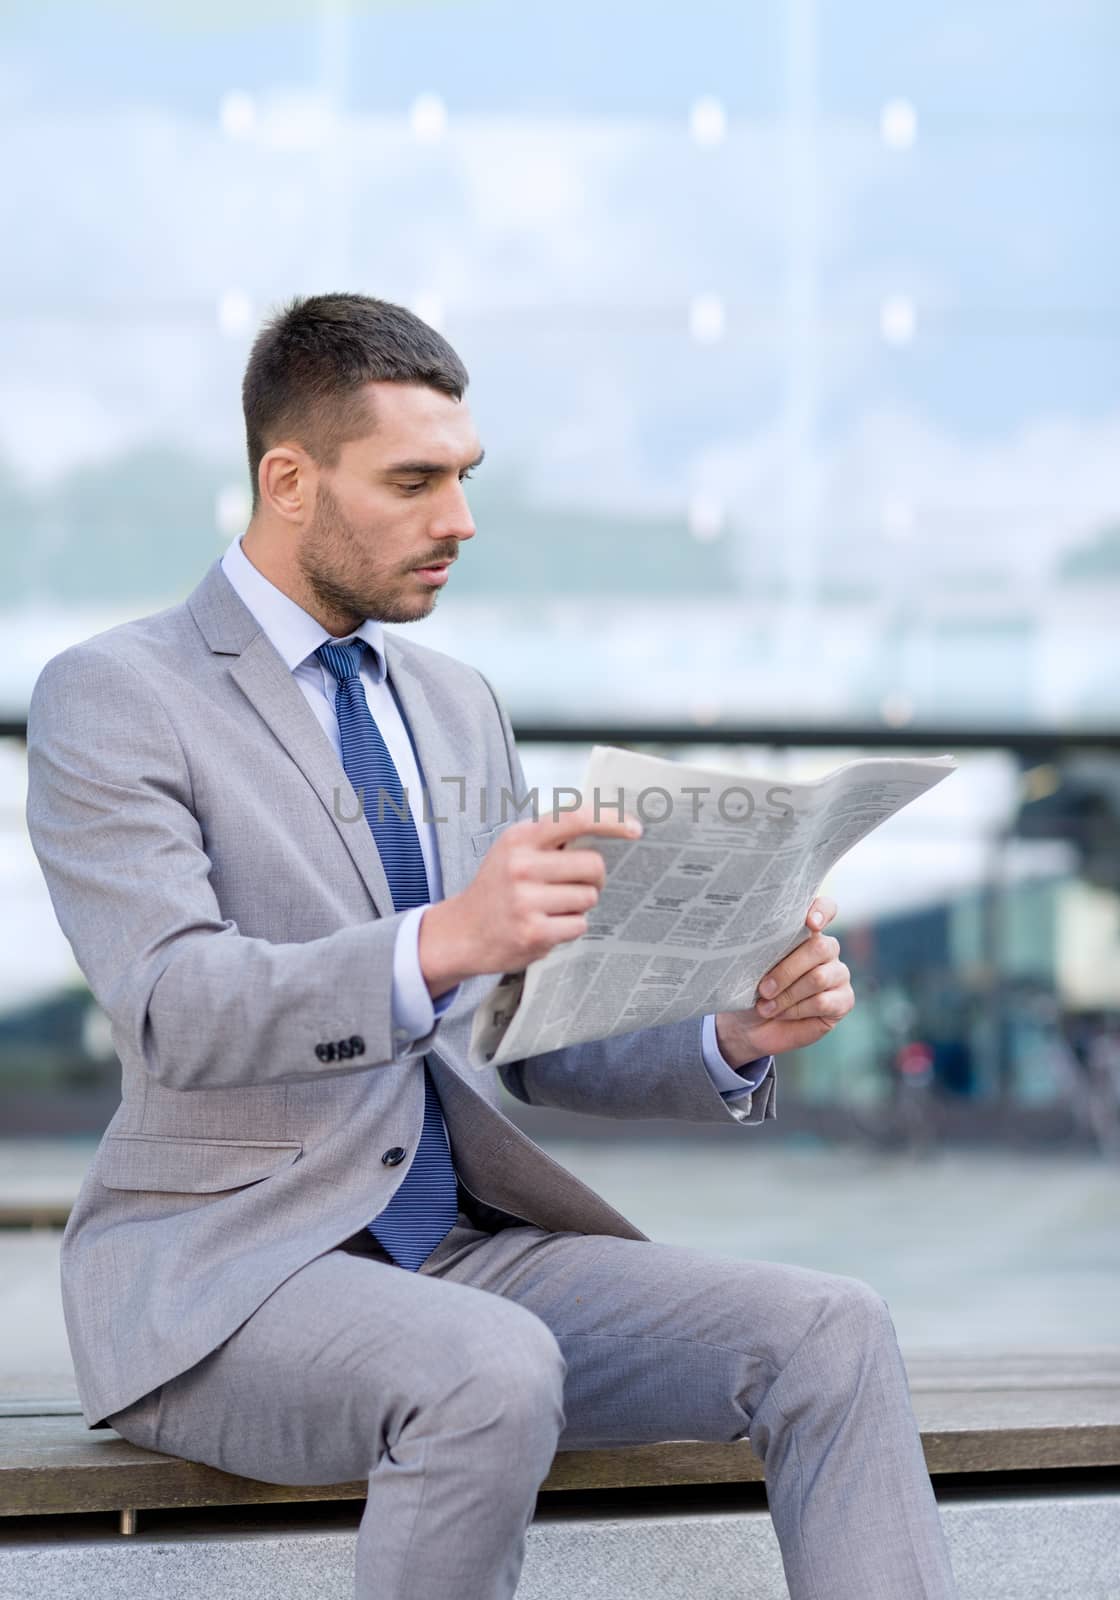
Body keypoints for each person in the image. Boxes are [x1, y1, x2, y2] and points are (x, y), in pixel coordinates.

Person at [25, 292, 958, 1600]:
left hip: (463, 1252)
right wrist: (444, 939)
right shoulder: (117, 696)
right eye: (412, 482)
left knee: (832, 1332)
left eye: (463, 479)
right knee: (489, 1366)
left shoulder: (456, 707)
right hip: (226, 1280)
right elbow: (174, 1004)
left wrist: (730, 1034)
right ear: (285, 481)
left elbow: (519, 1028)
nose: (458, 520)